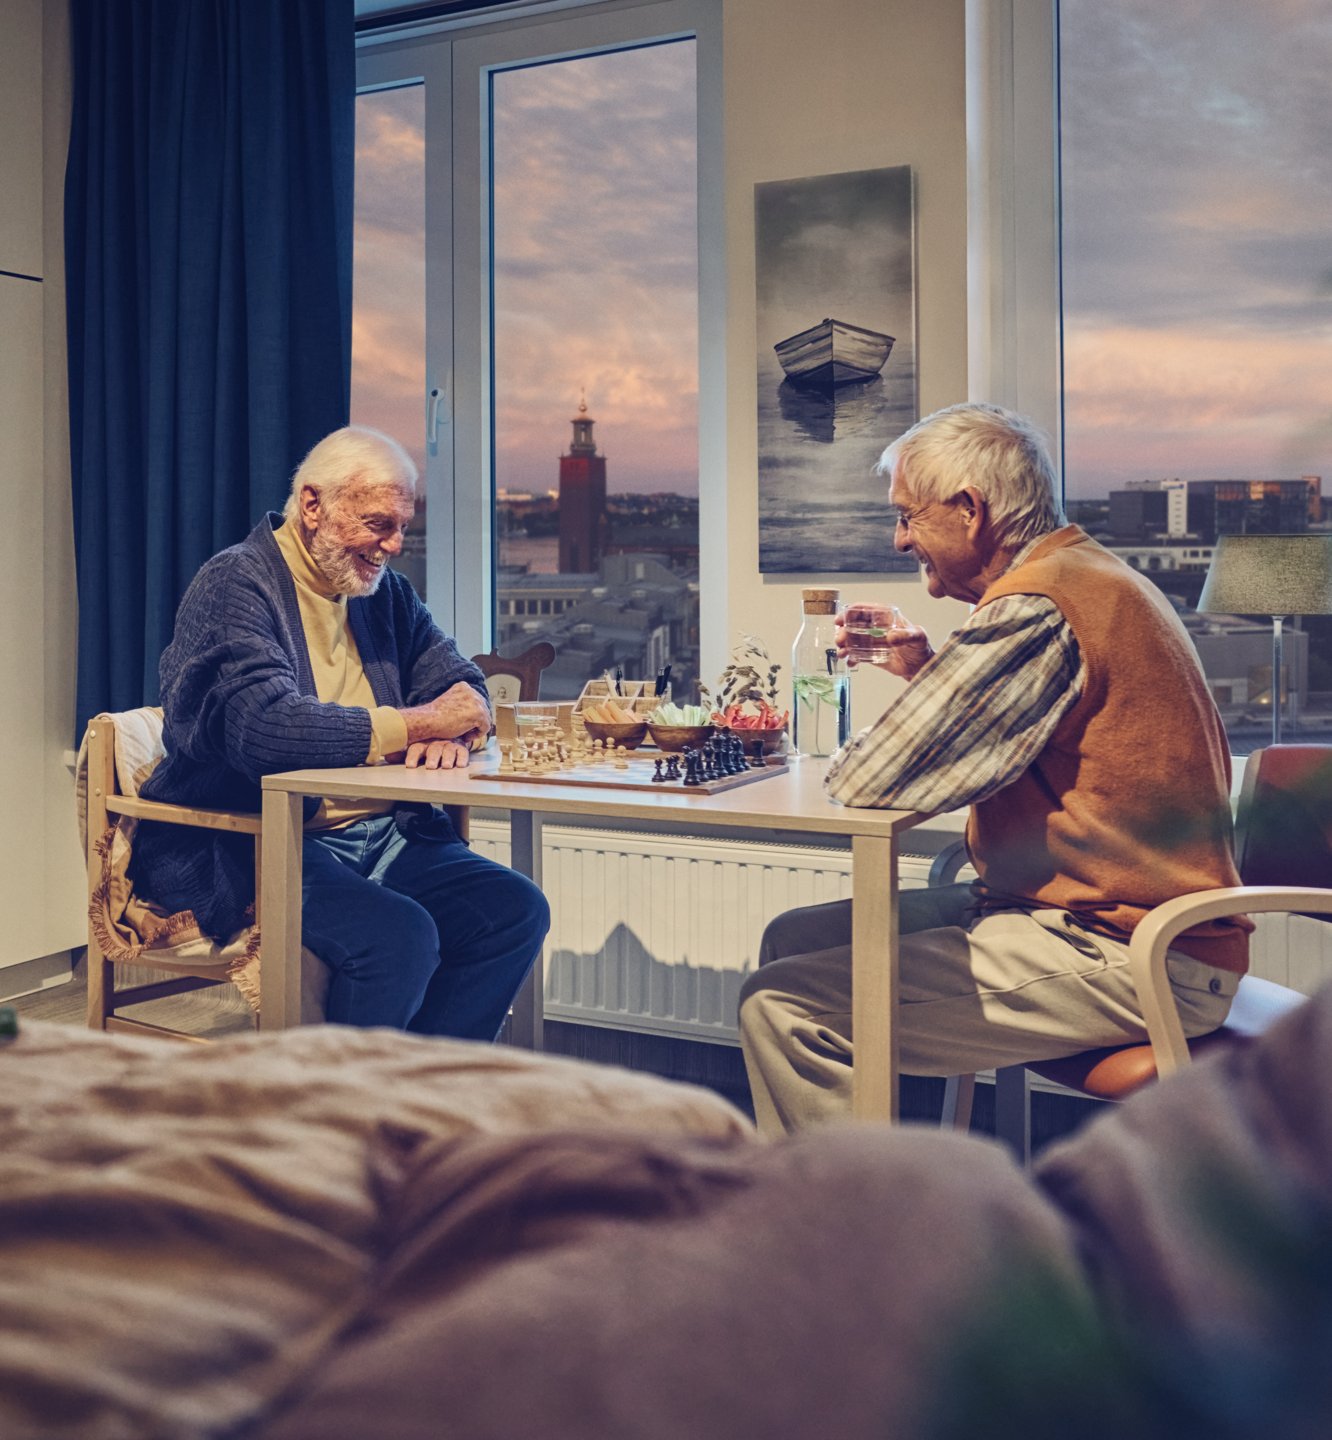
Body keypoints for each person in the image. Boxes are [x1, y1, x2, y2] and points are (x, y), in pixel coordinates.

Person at [739, 402, 1250, 1134]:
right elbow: (1040, 745)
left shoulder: (1039, 605)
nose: (899, 539)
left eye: (908, 517)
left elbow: (865, 780)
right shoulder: (1083, 572)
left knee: (784, 1004)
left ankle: (860, 1207)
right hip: (1076, 915)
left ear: (969, 510)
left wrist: (930, 703)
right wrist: (932, 674)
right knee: (794, 941)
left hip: (1135, 950)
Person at [131, 425, 549, 1039]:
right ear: (312, 505)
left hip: (388, 832)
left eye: (403, 526)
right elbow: (266, 731)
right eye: (379, 524)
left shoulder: (384, 593)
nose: (395, 545)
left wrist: (455, 733)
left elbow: (461, 683)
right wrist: (420, 723)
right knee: (399, 936)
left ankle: (425, 1081)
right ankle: (351, 1094)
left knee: (514, 910)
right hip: (262, 842)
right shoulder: (235, 584)